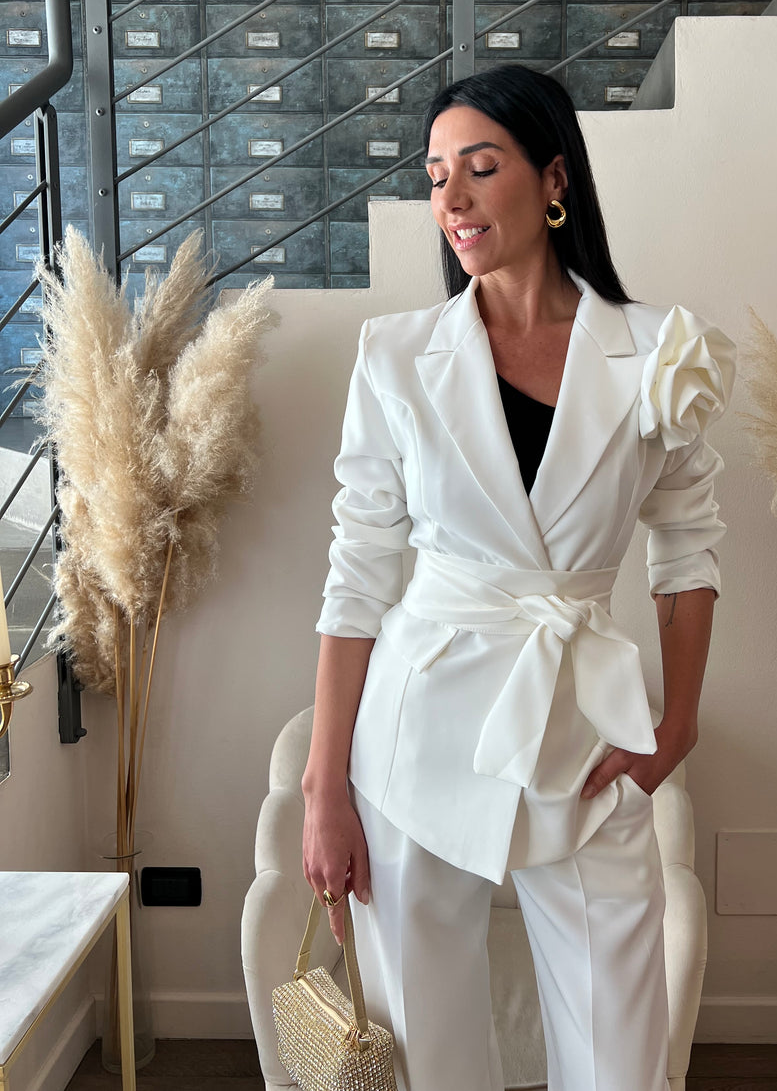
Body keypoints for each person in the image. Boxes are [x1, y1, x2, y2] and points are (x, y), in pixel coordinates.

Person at [301, 64, 736, 1091]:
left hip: (583, 727)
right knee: (426, 1048)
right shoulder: (396, 356)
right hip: (415, 733)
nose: (450, 198)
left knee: (621, 1055)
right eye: (435, 174)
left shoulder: (656, 352)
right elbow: (357, 572)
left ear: (553, 180)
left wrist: (677, 721)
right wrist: (325, 785)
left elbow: (687, 546)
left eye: (480, 167)